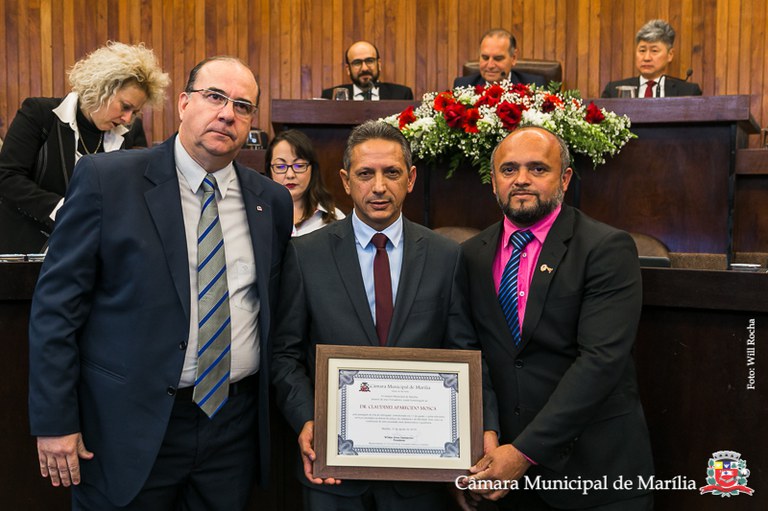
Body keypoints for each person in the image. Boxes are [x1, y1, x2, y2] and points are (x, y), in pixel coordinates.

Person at [28, 55, 293, 510]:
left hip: (231, 429)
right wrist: (55, 420)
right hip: (126, 427)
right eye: (215, 97)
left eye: (242, 106)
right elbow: (56, 310)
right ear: (184, 103)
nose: (227, 114)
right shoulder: (107, 181)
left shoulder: (271, 200)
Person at [271, 120, 498, 510]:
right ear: (346, 181)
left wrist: (484, 426)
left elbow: (465, 353)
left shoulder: (445, 256)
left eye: (391, 173)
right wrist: (307, 419)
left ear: (410, 179)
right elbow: (285, 354)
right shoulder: (305, 255)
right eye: (365, 174)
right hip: (333, 473)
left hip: (420, 476)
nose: (378, 186)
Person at [460, 127, 654, 510]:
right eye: (509, 169)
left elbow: (601, 361)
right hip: (502, 478)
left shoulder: (605, 248)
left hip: (594, 475)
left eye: (538, 169)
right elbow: (470, 354)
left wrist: (524, 452)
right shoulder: (471, 254)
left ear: (564, 179)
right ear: (493, 181)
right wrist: (485, 435)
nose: (521, 179)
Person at [0, 41, 170, 254]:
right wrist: (64, 210)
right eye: (125, 106)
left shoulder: (128, 135)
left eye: (134, 112)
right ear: (101, 89)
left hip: (92, 256)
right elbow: (7, 177)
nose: (127, 119)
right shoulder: (39, 114)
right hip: (29, 250)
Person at [266, 129, 345, 236]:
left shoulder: (336, 220)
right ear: (269, 171)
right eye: (280, 166)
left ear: (312, 169)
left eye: (299, 165)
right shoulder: (256, 217)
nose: (290, 175)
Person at [601, 19, 702, 98]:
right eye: (642, 50)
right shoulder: (613, 91)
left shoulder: (688, 92)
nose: (646, 58)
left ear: (670, 55)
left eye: (654, 51)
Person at [453, 29, 546, 89]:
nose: (490, 65)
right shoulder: (463, 86)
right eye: (485, 58)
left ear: (513, 58)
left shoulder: (534, 85)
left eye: (498, 58)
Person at [321, 41, 414, 100]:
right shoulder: (331, 96)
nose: (364, 68)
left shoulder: (401, 95)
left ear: (379, 64)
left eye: (369, 61)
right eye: (357, 63)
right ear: (348, 69)